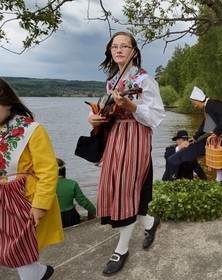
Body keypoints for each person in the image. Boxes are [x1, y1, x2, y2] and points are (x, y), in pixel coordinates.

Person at [88, 31, 165, 276]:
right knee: (115, 188)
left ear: (134, 51)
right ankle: (151, 223)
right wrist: (95, 118)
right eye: (115, 46)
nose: (119, 50)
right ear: (110, 51)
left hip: (136, 136)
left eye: (124, 46)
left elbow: (155, 116)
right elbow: (107, 111)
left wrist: (131, 106)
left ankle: (121, 249)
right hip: (115, 137)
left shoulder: (144, 80)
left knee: (125, 189)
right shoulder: (111, 81)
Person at [0, 77, 63, 280]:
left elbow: (48, 170)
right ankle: (41, 272)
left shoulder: (32, 130)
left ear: (7, 102)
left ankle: (35, 274)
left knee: (19, 251)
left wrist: (40, 204)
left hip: (21, 199)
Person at [56, 158, 96, 228]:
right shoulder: (72, 184)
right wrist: (95, 212)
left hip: (52, 218)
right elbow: (83, 202)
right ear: (63, 170)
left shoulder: (43, 186)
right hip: (71, 217)